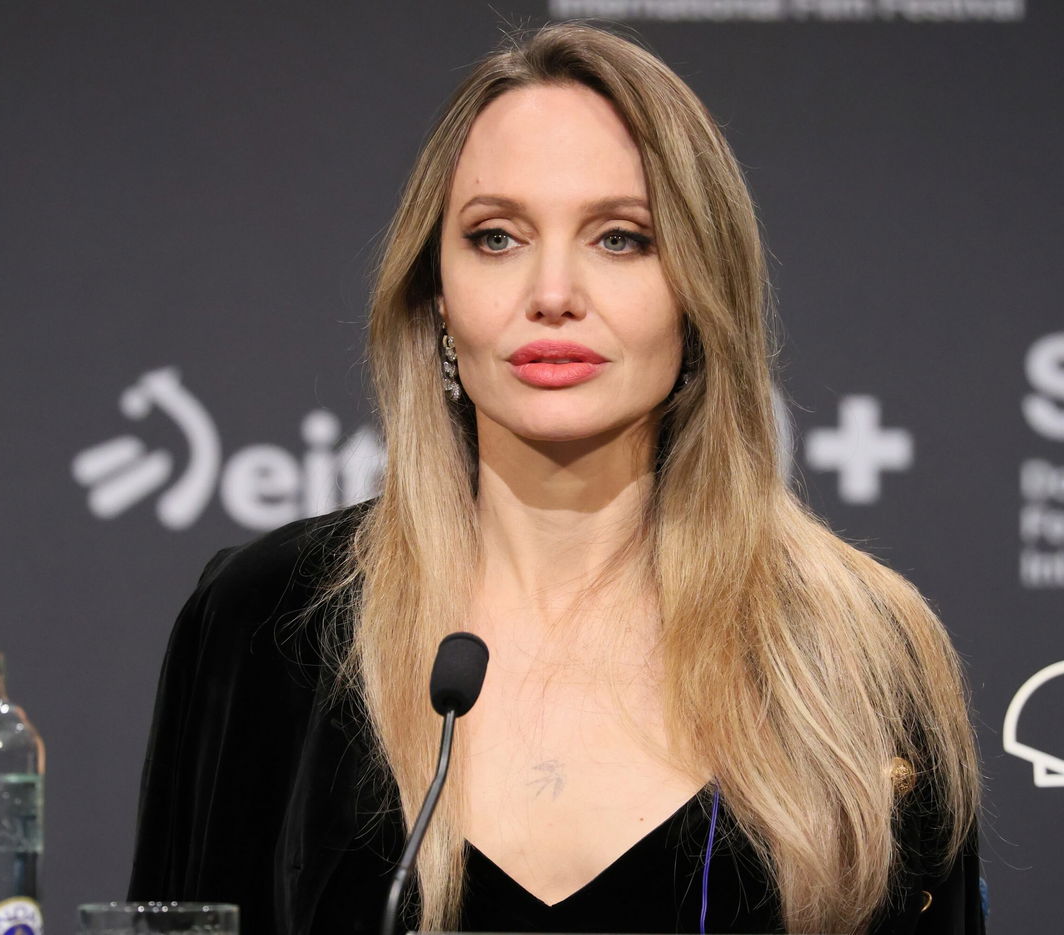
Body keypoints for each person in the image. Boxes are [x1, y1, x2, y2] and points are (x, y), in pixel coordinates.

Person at [128, 21, 984, 935]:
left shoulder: (856, 653)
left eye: (620, 238)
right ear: (436, 299)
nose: (553, 292)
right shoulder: (264, 618)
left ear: (700, 294)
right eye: (497, 237)